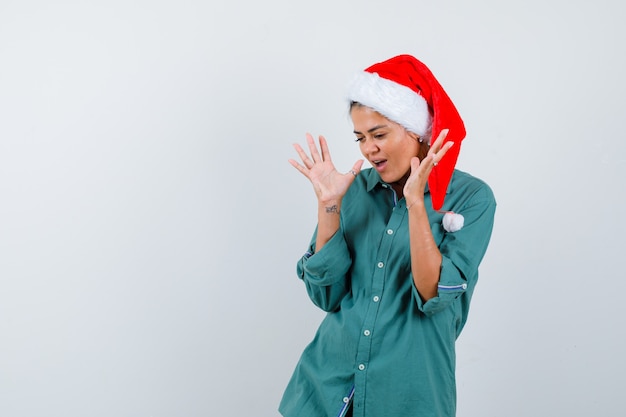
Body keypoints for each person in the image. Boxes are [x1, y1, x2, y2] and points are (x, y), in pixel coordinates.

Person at [279, 54, 496, 417]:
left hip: (408, 396)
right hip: (324, 393)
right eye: (360, 137)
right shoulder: (355, 190)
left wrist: (415, 202)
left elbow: (433, 296)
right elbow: (325, 296)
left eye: (379, 134)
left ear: (417, 131)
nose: (368, 148)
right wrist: (330, 205)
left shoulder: (472, 199)